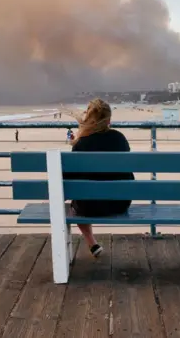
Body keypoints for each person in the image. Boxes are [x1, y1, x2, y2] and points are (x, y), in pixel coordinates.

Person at [64, 98, 133, 257]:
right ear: (109, 120)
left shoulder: (81, 143)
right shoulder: (120, 138)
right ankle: (92, 244)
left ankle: (91, 242)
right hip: (120, 203)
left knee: (77, 200)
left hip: (88, 207)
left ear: (89, 118)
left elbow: (69, 178)